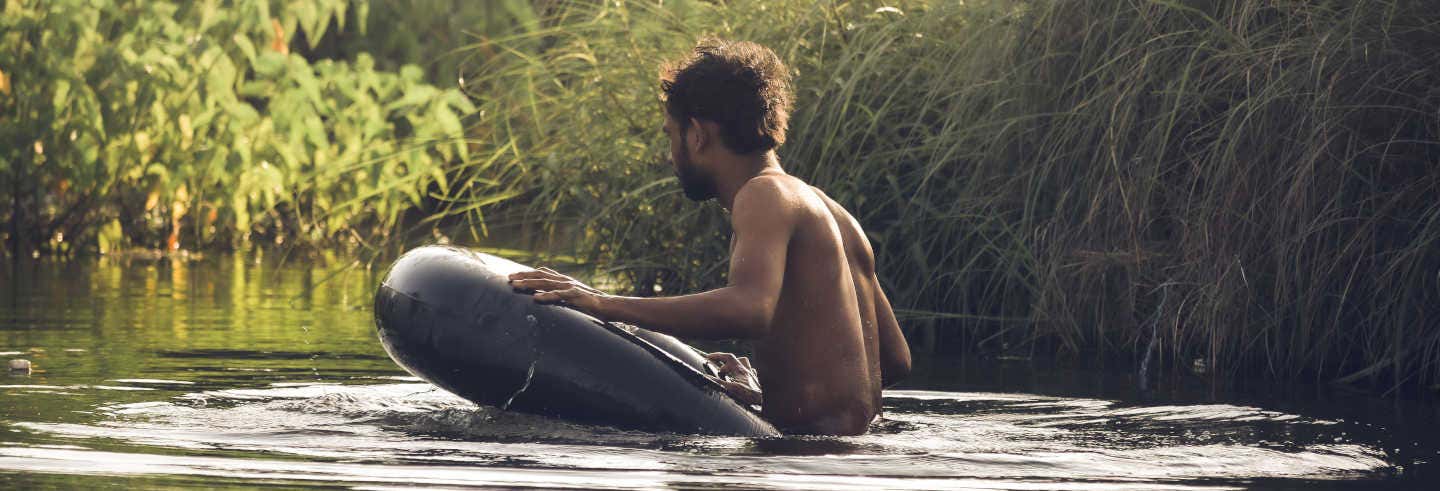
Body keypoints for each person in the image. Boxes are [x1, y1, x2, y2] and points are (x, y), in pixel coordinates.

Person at [508, 38, 910, 435]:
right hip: (849, 459)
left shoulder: (763, 194)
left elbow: (750, 309)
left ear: (697, 134)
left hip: (804, 463)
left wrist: (600, 302)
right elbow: (894, 360)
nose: (670, 153)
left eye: (671, 134)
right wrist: (775, 392)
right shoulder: (832, 212)